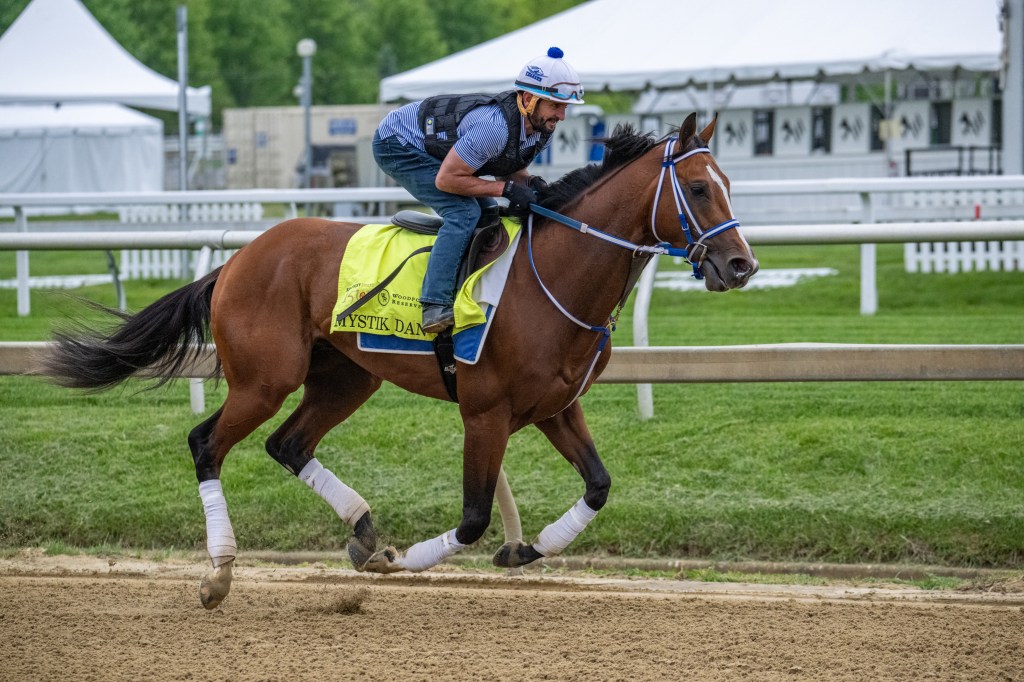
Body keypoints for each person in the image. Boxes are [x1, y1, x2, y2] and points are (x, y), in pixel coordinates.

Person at [372, 47, 586, 333]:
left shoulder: (541, 128)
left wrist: (528, 183)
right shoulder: (494, 127)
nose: (562, 116)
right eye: (555, 106)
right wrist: (506, 189)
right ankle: (434, 304)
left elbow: (506, 165)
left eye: (565, 107)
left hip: (438, 151)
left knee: (487, 213)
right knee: (463, 212)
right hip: (397, 143)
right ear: (527, 99)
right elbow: (447, 180)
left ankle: (470, 289)